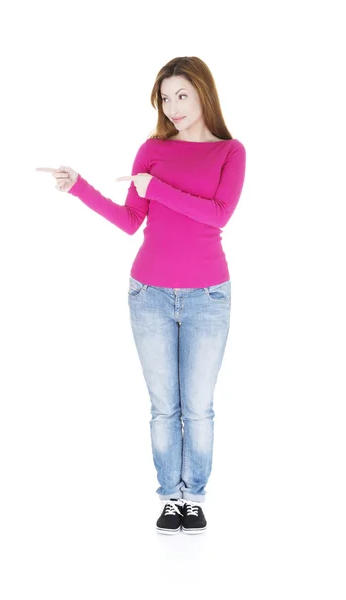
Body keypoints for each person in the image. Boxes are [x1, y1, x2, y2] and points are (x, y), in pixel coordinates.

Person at [36, 56, 246, 536]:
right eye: (165, 98)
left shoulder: (231, 152)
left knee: (198, 405)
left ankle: (195, 498)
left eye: (181, 96)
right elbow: (132, 221)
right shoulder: (151, 149)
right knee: (163, 407)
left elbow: (218, 215)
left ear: (203, 94)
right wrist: (79, 188)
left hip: (208, 296)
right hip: (148, 293)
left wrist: (159, 188)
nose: (173, 107)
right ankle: (169, 498)